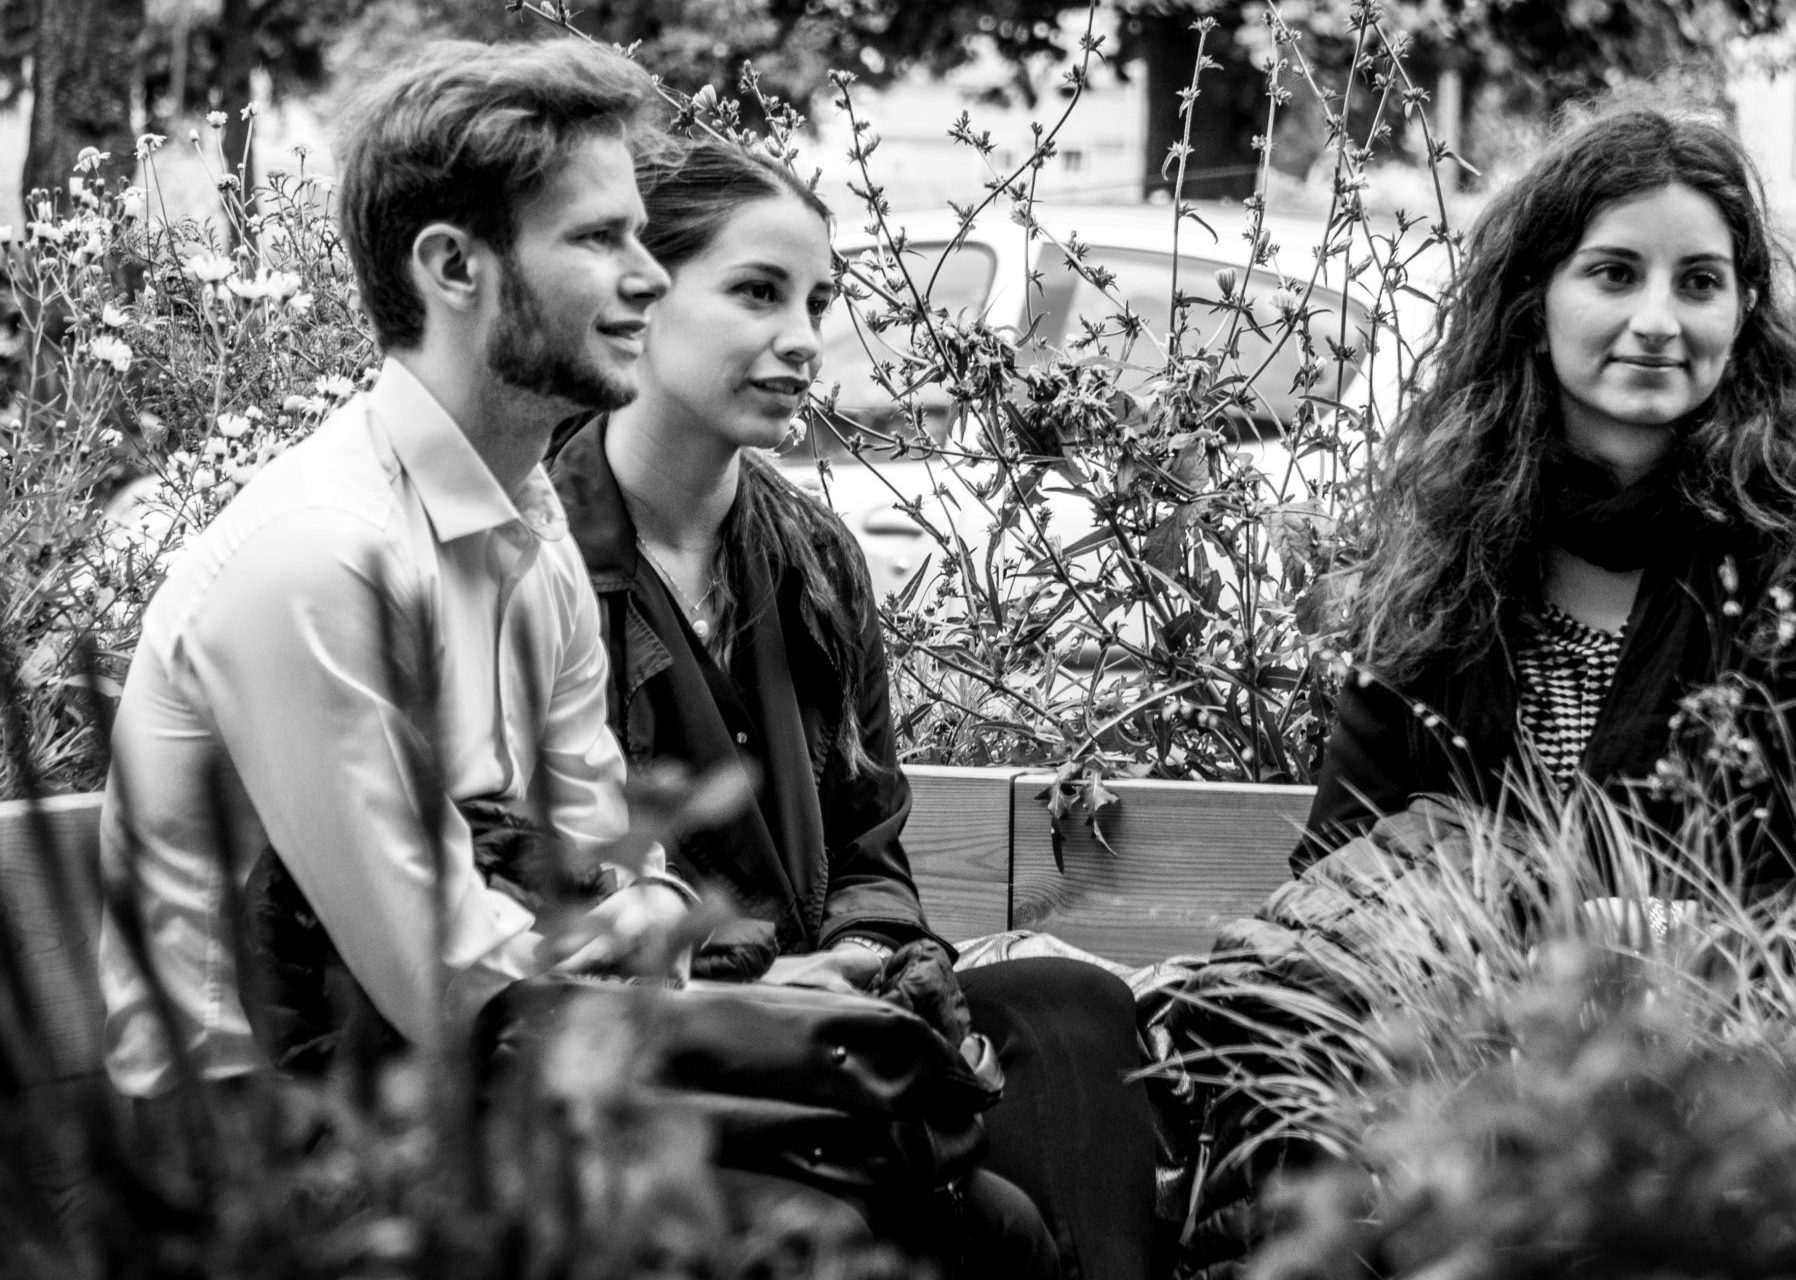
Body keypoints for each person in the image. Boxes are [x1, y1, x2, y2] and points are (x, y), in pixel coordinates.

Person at [542, 135, 1156, 1280]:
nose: (803, 337)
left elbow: (867, 828)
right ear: (642, 292)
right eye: (757, 292)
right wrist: (757, 982)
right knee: (985, 1209)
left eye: (818, 299)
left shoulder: (811, 552)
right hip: (671, 1035)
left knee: (1073, 1005)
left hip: (833, 1000)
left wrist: (878, 947)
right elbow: (552, 895)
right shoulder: (547, 564)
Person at [96, 37, 692, 1099]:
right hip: (268, 1153)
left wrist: (655, 907)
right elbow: (446, 980)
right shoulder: (320, 554)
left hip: (487, 1094)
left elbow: (607, 856)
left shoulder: (535, 536)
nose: (651, 277)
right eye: (601, 238)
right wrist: (634, 924)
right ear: (453, 266)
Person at [1296, 103, 1796, 874]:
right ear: (1535, 299)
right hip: (1438, 995)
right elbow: (1334, 865)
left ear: (1743, 310)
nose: (1657, 320)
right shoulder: (1437, 551)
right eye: (1614, 274)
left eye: (1699, 282)